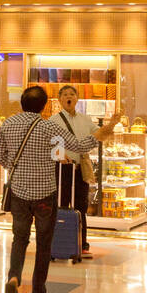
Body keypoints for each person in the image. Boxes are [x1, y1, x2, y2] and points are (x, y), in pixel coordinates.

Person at [0, 85, 119, 293]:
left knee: (20, 238)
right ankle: (38, 291)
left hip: (19, 193)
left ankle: (14, 277)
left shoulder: (8, 124)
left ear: (22, 103)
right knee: (44, 242)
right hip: (44, 194)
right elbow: (78, 145)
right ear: (44, 106)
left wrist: (18, 169)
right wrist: (103, 132)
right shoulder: (48, 127)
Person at [52, 85, 95, 259]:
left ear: (77, 99)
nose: (69, 97)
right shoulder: (53, 121)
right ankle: (59, 242)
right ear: (60, 99)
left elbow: (97, 136)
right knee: (60, 204)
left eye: (72, 94)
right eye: (65, 95)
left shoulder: (86, 120)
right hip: (61, 169)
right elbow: (50, 143)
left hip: (79, 169)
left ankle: (82, 243)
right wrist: (60, 155)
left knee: (81, 206)